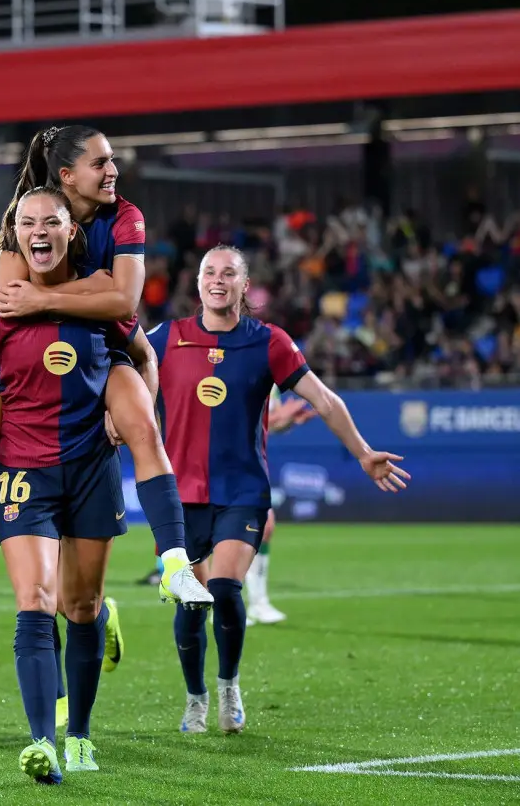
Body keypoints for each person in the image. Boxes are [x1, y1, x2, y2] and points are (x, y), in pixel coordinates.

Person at [0, 124, 209, 634]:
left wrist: (48, 299)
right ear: (66, 176)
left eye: (112, 160)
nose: (113, 171)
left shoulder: (124, 217)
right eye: (100, 162)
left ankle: (175, 564)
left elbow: (120, 304)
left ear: (68, 225)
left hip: (103, 349)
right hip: (30, 364)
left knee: (142, 427)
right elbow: (12, 298)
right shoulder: (25, 220)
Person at [145, 245, 409, 735]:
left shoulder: (269, 342)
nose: (217, 280)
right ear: (197, 282)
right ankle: (195, 698)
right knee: (190, 601)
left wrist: (362, 452)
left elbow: (325, 400)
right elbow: (122, 379)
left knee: (222, 589)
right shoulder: (166, 338)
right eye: (208, 272)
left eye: (229, 273)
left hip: (242, 490)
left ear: (246, 286)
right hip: (178, 496)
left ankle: (228, 687)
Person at [0, 186, 127, 782]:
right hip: (23, 470)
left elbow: (140, 349)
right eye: (27, 222)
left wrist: (127, 404)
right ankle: (45, 744)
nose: (39, 231)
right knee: (35, 604)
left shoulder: (99, 293)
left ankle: (81, 734)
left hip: (89, 465)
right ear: (16, 235)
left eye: (52, 221)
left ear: (70, 232)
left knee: (80, 607)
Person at [246, 386, 318, 625]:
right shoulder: (240, 360)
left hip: (252, 459)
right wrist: (279, 416)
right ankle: (225, 604)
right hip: (227, 459)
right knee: (223, 531)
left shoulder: (272, 380)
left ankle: (258, 602)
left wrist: (288, 421)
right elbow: (239, 418)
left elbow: (269, 426)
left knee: (264, 528)